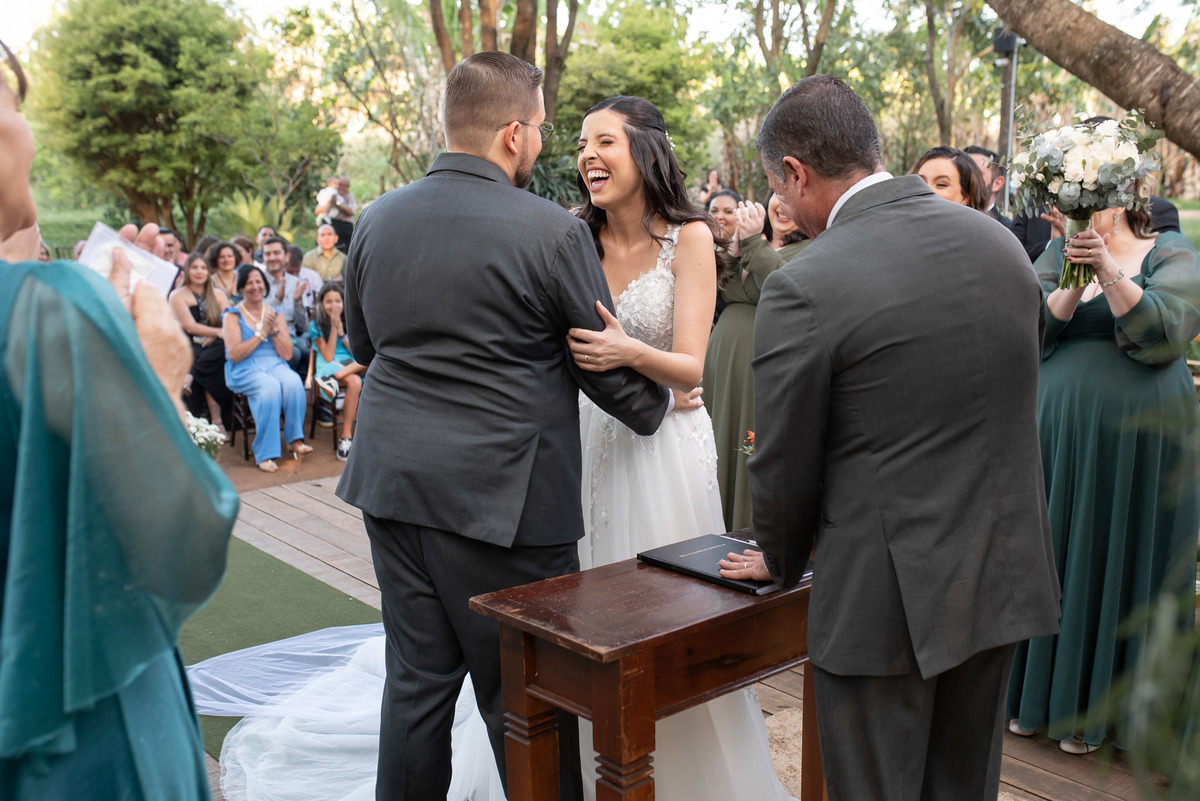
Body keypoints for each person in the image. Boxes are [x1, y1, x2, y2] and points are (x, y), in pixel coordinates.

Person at [335, 52, 668, 801]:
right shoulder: (550, 231)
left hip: (392, 487)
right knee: (528, 701)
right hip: (505, 506)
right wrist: (655, 407)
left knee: (415, 688)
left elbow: (364, 344)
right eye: (545, 130)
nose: (548, 145)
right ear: (513, 134)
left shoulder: (378, 219)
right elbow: (593, 354)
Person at [720, 75, 1061, 801]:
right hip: (1001, 569)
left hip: (885, 601)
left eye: (778, 189)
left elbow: (780, 462)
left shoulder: (806, 284)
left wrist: (780, 558)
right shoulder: (1001, 246)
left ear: (795, 173)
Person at [0, 40, 237, 799]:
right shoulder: (52, 311)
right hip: (77, 732)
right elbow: (180, 544)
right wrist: (161, 380)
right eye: (11, 105)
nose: (27, 133)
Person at [568, 94, 793, 801]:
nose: (586, 156)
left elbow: (691, 366)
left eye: (603, 141)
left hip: (666, 444)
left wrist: (626, 350)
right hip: (585, 433)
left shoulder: (689, 238)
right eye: (579, 144)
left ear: (645, 150)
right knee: (585, 604)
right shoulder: (573, 237)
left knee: (668, 615)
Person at [1006, 193, 1200, 753]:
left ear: (1130, 192)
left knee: (1121, 553)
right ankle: (1035, 697)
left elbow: (1167, 330)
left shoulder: (1170, 250)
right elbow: (1028, 330)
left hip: (1143, 437)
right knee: (1056, 550)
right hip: (1058, 435)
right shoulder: (1052, 252)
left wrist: (1110, 270)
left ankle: (1103, 713)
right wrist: (1072, 270)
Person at [702, 191, 808, 532]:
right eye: (780, 194)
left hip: (760, 364)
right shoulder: (754, 245)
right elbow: (719, 288)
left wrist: (750, 243)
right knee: (715, 441)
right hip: (721, 364)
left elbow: (786, 284)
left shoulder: (812, 248)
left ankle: (745, 528)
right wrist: (733, 252)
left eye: (795, 197)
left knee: (748, 444)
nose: (785, 204)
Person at [221, 265, 312, 473]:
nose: (255, 286)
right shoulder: (232, 316)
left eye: (258, 281)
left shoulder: (274, 313)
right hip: (244, 368)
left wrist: (274, 331)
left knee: (293, 381)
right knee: (270, 387)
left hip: (274, 363)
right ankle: (265, 452)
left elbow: (288, 354)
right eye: (250, 282)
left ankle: (294, 439)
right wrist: (260, 334)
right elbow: (234, 354)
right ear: (242, 287)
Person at [170, 251, 232, 438]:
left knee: (219, 350)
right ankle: (217, 420)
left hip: (215, 346)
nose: (199, 271)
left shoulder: (218, 295)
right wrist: (216, 332)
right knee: (202, 356)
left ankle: (191, 376)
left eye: (203, 267)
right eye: (195, 267)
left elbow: (229, 321)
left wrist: (216, 335)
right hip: (188, 344)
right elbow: (189, 326)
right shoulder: (177, 295)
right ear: (187, 270)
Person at [309, 282, 365, 462]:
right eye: (328, 301)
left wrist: (342, 333)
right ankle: (346, 437)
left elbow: (357, 352)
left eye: (338, 301)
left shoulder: (352, 321)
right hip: (328, 365)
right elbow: (327, 355)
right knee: (355, 381)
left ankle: (333, 380)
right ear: (321, 304)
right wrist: (334, 327)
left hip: (348, 364)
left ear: (344, 302)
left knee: (369, 358)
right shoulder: (315, 325)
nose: (334, 306)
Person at [261, 235, 309, 374]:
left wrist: (297, 302)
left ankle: (306, 390)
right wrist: (278, 299)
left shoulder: (294, 282)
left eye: (276, 253)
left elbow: (303, 325)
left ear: (286, 256)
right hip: (267, 336)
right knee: (295, 354)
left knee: (308, 350)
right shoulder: (257, 282)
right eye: (267, 254)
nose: (272, 257)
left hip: (291, 334)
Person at [910, 145, 989, 210]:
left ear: (965, 197)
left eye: (941, 185)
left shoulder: (985, 228)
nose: (926, 190)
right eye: (920, 183)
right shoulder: (899, 225)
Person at [964, 144, 1014, 228]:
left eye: (976, 173)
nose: (967, 178)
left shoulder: (1008, 231)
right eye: (962, 171)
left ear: (997, 183)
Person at [315, 176, 357, 253]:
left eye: (345, 186)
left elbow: (351, 211)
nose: (342, 188)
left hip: (345, 227)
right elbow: (317, 210)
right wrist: (328, 202)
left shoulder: (349, 197)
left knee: (347, 250)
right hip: (331, 224)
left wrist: (338, 205)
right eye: (340, 184)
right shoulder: (328, 194)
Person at [286, 244, 322, 310]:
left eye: (297, 271)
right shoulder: (279, 279)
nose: (294, 275)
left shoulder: (313, 277)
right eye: (290, 272)